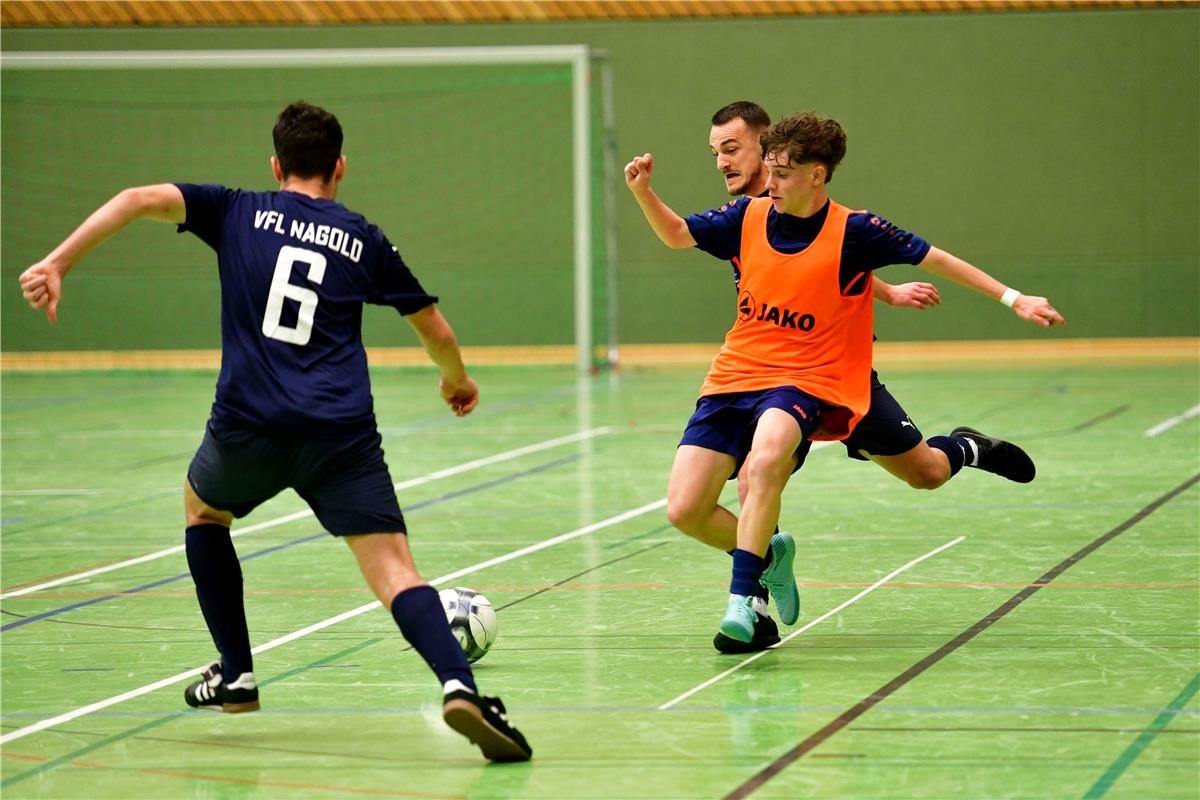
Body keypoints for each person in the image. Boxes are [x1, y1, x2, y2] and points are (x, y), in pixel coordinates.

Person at [18, 100, 532, 762]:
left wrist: (58, 262)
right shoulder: (363, 237)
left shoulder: (234, 210)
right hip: (339, 434)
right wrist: (455, 380)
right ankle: (461, 685)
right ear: (339, 167)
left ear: (275, 165)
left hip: (248, 423)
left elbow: (136, 198)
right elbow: (435, 331)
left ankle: (236, 672)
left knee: (204, 509)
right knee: (394, 570)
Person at [624, 110, 1064, 647]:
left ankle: (965, 448)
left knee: (904, 472)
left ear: (817, 173)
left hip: (826, 376)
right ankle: (764, 572)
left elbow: (931, 259)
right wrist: (644, 190)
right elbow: (688, 238)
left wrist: (1014, 298)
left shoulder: (859, 229)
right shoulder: (746, 217)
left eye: (738, 150)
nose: (734, 165)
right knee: (708, 499)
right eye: (759, 165)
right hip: (746, 374)